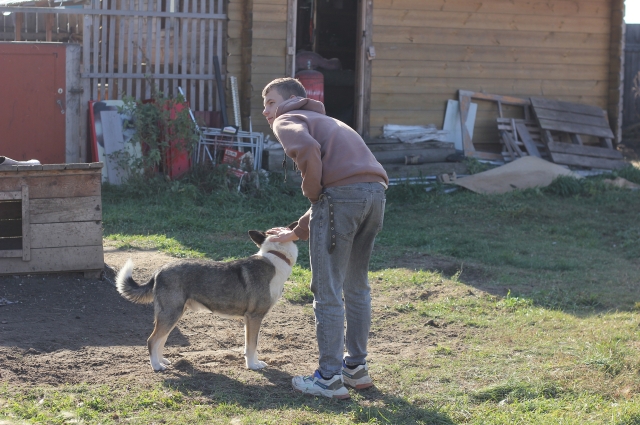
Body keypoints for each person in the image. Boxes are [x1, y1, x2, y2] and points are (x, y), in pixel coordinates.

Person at [262, 77, 388, 399]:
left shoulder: (288, 119)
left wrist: (312, 192)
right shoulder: (329, 121)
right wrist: (299, 229)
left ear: (291, 100)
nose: (267, 111)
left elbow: (310, 157)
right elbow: (342, 187)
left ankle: (328, 378)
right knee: (356, 285)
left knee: (327, 287)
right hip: (375, 195)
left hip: (344, 198)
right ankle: (355, 369)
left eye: (271, 102)